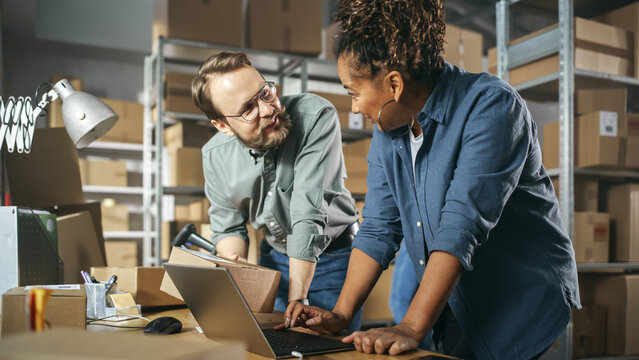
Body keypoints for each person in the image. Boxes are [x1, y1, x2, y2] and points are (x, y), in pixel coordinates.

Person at [280, 1, 581, 358]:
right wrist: (341, 315)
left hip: (519, 298)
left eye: (354, 92)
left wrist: (410, 326)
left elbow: (461, 226)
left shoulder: (492, 107)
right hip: (454, 294)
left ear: (394, 84)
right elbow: (378, 227)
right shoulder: (390, 128)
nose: (356, 108)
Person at [191, 51, 362, 332]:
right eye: (248, 109)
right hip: (273, 258)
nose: (268, 109)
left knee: (328, 350)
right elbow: (227, 226)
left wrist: (298, 297)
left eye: (266, 93)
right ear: (222, 126)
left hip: (334, 256)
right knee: (279, 346)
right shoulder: (214, 156)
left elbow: (309, 211)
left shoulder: (315, 116)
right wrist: (237, 267)